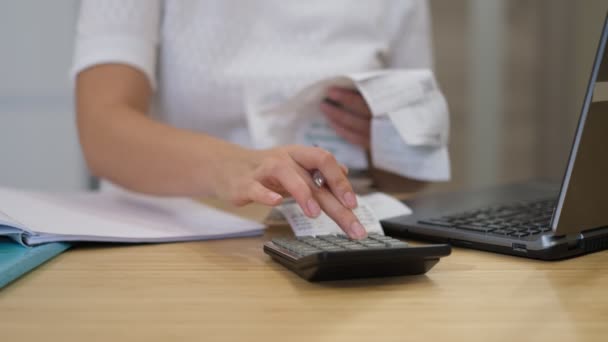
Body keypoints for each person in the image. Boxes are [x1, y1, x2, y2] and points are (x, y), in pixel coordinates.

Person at [73, 0, 439, 240]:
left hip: (341, 236)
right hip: (179, 236)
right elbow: (102, 131)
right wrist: (239, 166)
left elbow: (415, 169)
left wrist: (384, 143)